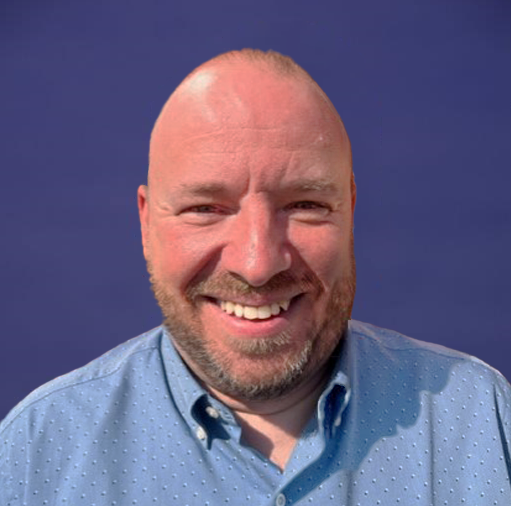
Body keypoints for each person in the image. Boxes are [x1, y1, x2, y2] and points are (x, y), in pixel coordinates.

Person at [1, 49, 510, 505]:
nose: (258, 262)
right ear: (146, 223)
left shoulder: (484, 422)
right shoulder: (35, 454)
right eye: (206, 208)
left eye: (305, 205)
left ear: (349, 211)